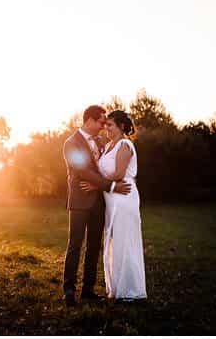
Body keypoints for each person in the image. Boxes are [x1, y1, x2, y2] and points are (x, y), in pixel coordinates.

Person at [61, 105, 132, 305]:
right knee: (75, 244)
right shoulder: (71, 143)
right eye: (101, 121)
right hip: (79, 200)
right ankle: (69, 290)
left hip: (99, 202)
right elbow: (82, 170)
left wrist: (101, 185)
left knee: (94, 246)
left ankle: (88, 289)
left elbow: (105, 168)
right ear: (89, 120)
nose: (103, 125)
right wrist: (111, 186)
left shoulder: (102, 142)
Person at [97, 109, 147, 299]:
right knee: (114, 242)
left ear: (122, 126)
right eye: (106, 125)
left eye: (110, 125)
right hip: (111, 199)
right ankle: (117, 288)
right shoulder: (109, 145)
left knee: (125, 242)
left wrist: (96, 180)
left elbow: (118, 174)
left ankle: (130, 290)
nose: (106, 128)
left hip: (124, 197)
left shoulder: (125, 144)